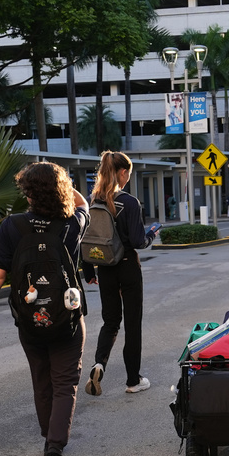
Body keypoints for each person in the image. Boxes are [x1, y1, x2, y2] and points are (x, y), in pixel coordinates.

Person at [0, 163, 89, 456]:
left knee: (41, 377)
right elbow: (83, 204)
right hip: (66, 317)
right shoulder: (70, 224)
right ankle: (55, 449)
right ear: (60, 190)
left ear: (27, 192)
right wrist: (63, 186)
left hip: (28, 318)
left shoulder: (12, 226)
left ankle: (47, 435)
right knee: (65, 381)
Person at [82, 151, 156, 397]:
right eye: (128, 174)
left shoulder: (95, 200)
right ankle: (133, 380)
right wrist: (151, 235)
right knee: (132, 324)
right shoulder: (130, 202)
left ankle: (98, 364)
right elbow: (137, 240)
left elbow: (88, 239)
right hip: (127, 267)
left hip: (105, 268)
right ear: (123, 172)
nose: (128, 179)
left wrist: (89, 270)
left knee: (111, 321)